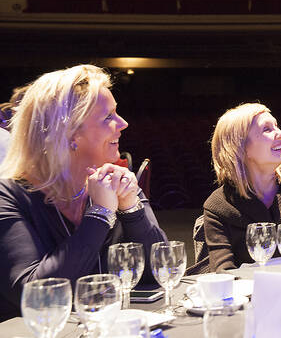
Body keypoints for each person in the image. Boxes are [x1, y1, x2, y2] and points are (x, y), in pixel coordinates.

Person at [0, 65, 166, 319]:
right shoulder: (9, 195)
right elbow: (33, 295)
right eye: (108, 116)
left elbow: (162, 269)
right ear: (68, 133)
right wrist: (100, 214)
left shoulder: (114, 180)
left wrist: (132, 208)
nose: (123, 123)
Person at [205, 103, 281, 272]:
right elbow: (223, 273)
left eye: (277, 126)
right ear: (240, 147)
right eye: (267, 129)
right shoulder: (218, 207)